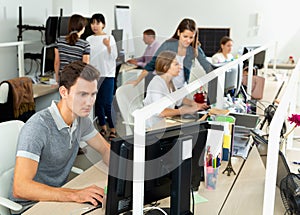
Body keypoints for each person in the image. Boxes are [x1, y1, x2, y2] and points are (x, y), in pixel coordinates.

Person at [9, 61, 110, 214]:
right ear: (64, 92)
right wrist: (75, 194)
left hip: (57, 198)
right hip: (30, 207)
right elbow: (20, 188)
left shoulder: (81, 120)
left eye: (93, 94)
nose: (89, 102)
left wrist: (128, 172)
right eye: (82, 94)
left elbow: (105, 149)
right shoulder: (38, 127)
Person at [128, 18, 214, 91]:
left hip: (181, 88)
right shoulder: (168, 45)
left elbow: (207, 66)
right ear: (178, 33)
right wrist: (137, 80)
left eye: (191, 37)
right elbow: (152, 64)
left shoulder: (194, 48)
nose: (188, 40)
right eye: (185, 36)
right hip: (164, 88)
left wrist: (217, 78)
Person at [143, 51, 209, 127]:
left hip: (164, 124)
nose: (180, 67)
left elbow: (179, 99)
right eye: (176, 64)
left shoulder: (171, 82)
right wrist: (183, 111)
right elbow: (161, 112)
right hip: (152, 127)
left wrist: (196, 105)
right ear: (165, 67)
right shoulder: (157, 84)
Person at [86, 13, 118, 140]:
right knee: (97, 103)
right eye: (93, 23)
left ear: (103, 25)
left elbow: (115, 56)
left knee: (108, 103)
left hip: (108, 74)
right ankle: (103, 127)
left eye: (97, 23)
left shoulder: (110, 37)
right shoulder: (88, 39)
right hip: (94, 76)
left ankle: (113, 128)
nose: (95, 26)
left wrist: (108, 46)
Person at [54, 14, 90, 82]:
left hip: (63, 78)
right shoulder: (85, 44)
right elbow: (85, 66)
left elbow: (57, 62)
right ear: (82, 27)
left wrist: (57, 77)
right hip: (77, 80)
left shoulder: (59, 40)